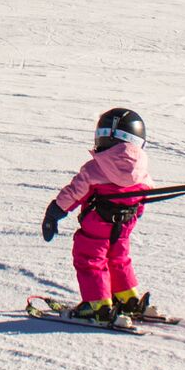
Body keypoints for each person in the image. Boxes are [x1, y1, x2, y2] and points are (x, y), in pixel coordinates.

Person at [41, 108, 156, 323]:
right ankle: (127, 298)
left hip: (96, 227)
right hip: (123, 229)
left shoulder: (95, 169)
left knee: (90, 260)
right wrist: (131, 217)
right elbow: (143, 199)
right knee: (119, 258)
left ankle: (99, 305)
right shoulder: (142, 171)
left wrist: (54, 212)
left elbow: (74, 193)